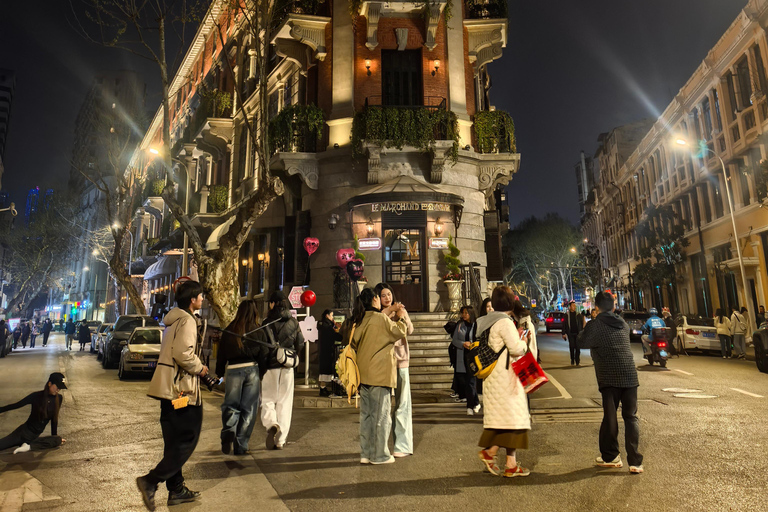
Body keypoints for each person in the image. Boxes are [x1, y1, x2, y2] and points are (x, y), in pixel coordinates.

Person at [137, 280, 208, 511]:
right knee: (188, 438)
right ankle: (151, 480)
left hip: (167, 389)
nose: (203, 299)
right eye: (200, 296)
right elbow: (183, 354)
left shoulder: (173, 319)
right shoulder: (187, 320)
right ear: (192, 300)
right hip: (182, 390)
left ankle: (176, 489)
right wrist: (201, 368)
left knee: (174, 441)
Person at [577, 291, 643, 474]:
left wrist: (587, 323)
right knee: (631, 417)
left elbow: (581, 341)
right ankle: (635, 461)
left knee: (611, 415)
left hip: (609, 376)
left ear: (596, 307)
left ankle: (611, 456)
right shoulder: (622, 323)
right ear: (613, 306)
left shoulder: (596, 325)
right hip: (629, 376)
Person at [476, 286, 533, 478]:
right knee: (512, 421)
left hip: (495, 378)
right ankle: (490, 452)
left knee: (507, 420)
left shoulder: (487, 321)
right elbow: (516, 349)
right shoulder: (505, 322)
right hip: (505, 378)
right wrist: (524, 341)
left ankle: (511, 464)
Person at [350, 287, 408, 465]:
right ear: (375, 299)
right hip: (380, 374)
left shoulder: (360, 320)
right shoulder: (380, 319)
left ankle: (366, 453)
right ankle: (380, 455)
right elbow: (399, 332)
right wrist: (402, 317)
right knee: (382, 417)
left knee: (366, 417)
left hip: (364, 375)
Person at [259, 291, 305, 450]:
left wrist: (262, 366)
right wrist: (293, 355)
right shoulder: (293, 322)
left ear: (272, 304)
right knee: (285, 402)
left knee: (268, 399)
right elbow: (300, 343)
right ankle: (280, 440)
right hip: (287, 365)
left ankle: (272, 423)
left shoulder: (266, 322)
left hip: (270, 366)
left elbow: (263, 347)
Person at [216, 300, 262, 456]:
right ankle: (241, 444)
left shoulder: (230, 329)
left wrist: (219, 372)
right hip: (252, 369)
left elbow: (221, 353)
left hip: (234, 369)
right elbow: (264, 352)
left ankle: (228, 431)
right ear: (255, 312)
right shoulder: (258, 330)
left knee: (231, 405)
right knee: (249, 408)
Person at [375, 282, 414, 457]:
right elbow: (378, 323)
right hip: (384, 363)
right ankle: (380, 447)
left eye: (389, 294)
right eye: (383, 295)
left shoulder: (400, 310)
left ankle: (403, 446)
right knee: (382, 406)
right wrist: (390, 311)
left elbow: (410, 330)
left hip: (401, 361)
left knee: (402, 404)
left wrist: (403, 316)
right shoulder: (379, 314)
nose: (387, 298)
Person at [0, 372, 67, 453]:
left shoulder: (59, 398)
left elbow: (54, 420)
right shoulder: (36, 396)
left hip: (34, 438)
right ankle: (27, 446)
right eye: (57, 387)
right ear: (50, 384)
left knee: (58, 440)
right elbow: (17, 405)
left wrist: (54, 438)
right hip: (23, 433)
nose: (58, 390)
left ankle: (27, 446)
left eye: (60, 388)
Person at [453, 306, 480, 415]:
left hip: (473, 357)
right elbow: (454, 340)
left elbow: (479, 339)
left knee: (471, 381)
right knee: (467, 382)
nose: (464, 315)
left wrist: (473, 344)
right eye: (462, 313)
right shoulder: (460, 325)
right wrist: (463, 344)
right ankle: (476, 402)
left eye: (466, 313)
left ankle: (469, 406)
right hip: (462, 356)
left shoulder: (476, 325)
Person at [317, 309, 342, 397]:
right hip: (327, 350)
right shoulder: (326, 326)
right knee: (326, 370)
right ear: (327, 316)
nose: (333, 317)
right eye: (331, 315)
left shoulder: (324, 325)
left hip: (324, 350)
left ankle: (323, 388)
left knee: (325, 370)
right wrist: (342, 335)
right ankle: (323, 388)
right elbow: (333, 336)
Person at [562, 301, 585, 365]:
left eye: (575, 306)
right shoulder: (566, 315)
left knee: (578, 347)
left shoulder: (578, 315)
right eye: (573, 306)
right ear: (570, 307)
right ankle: (572, 359)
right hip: (570, 334)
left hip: (578, 334)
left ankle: (577, 360)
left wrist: (582, 332)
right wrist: (563, 333)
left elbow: (582, 323)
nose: (574, 307)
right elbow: (564, 324)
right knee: (572, 347)